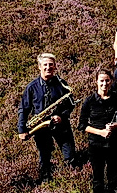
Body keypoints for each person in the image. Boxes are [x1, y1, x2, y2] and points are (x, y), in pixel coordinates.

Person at [17, 53, 76, 182]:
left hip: (61, 124)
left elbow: (70, 105)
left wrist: (61, 116)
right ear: (39, 67)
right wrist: (22, 129)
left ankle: (71, 179)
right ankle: (46, 181)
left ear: (55, 66)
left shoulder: (61, 84)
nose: (48, 67)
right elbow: (24, 108)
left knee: (70, 154)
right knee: (44, 155)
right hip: (41, 126)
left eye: (51, 65)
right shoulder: (31, 87)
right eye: (45, 65)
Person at [78, 69, 117, 193]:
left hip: (114, 142)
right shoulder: (90, 101)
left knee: (113, 174)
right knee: (98, 176)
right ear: (96, 82)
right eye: (102, 81)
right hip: (96, 144)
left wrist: (116, 125)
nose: (104, 83)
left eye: (107, 80)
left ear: (111, 81)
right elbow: (82, 125)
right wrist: (101, 132)